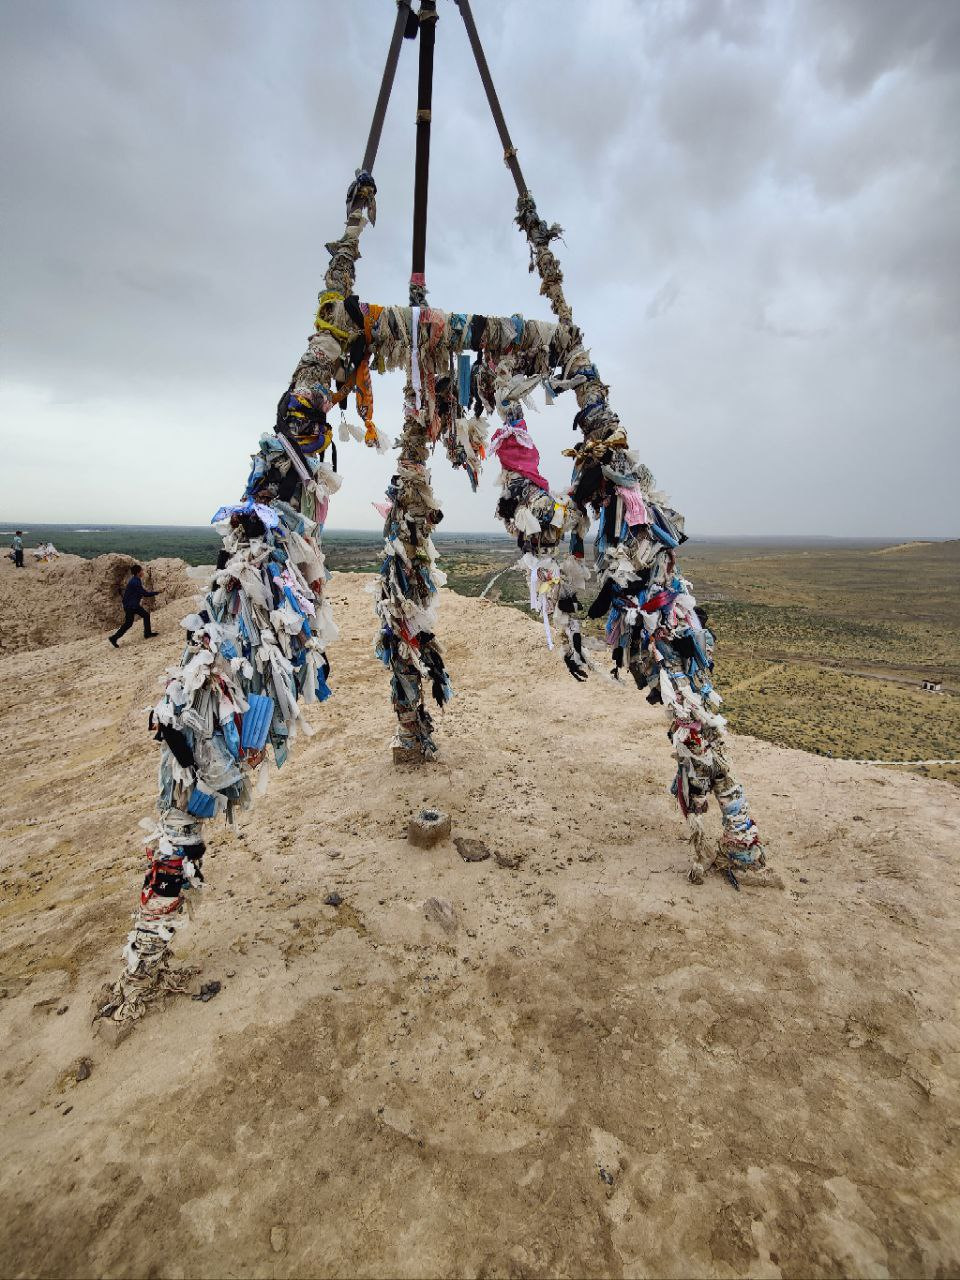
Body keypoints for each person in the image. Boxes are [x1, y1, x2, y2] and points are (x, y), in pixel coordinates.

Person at [109, 565, 160, 646]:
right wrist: (157, 592)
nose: (143, 572)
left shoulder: (135, 580)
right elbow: (144, 594)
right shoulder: (135, 582)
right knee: (145, 616)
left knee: (129, 623)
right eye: (141, 570)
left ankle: (114, 638)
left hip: (129, 605)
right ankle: (147, 634)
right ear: (138, 572)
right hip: (132, 605)